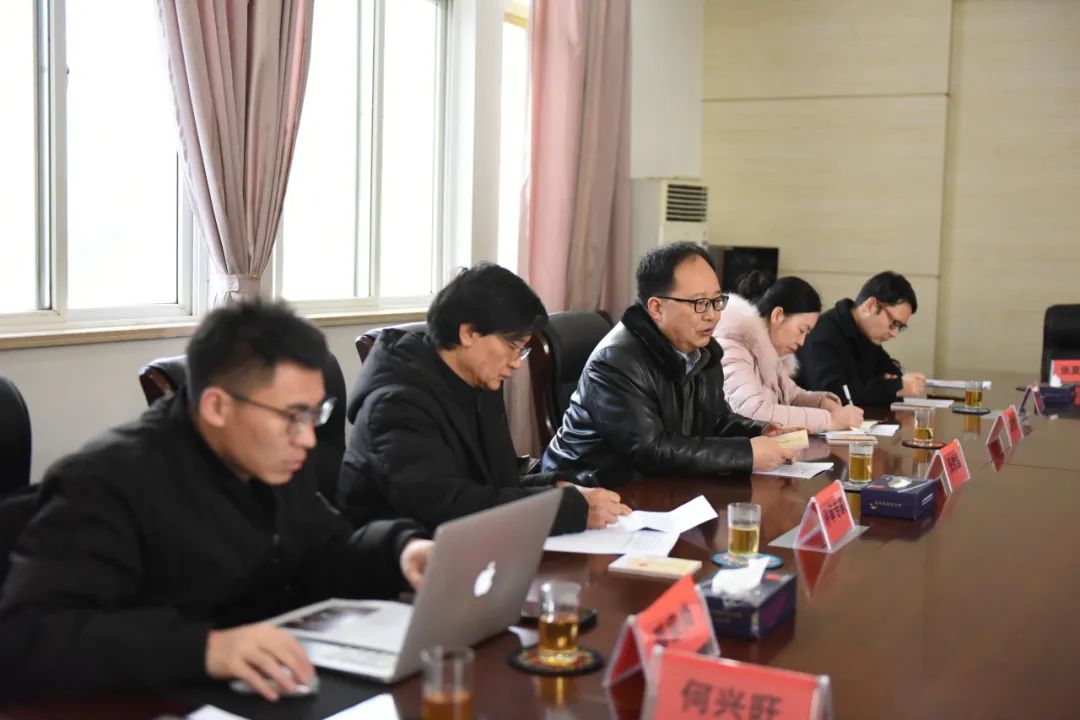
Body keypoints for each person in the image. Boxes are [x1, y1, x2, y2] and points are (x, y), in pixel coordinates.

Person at [0, 301, 433, 703]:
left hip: (268, 686)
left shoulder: (275, 459)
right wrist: (206, 648)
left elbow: (328, 548)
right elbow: (28, 636)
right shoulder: (107, 481)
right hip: (150, 698)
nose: (307, 438)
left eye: (314, 414)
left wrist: (400, 551)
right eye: (292, 416)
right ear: (217, 406)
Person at [338, 263, 629, 536]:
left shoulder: (478, 380)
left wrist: (556, 485)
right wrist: (566, 509)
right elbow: (446, 506)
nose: (516, 362)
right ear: (468, 333)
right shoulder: (396, 404)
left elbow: (494, 481)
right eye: (513, 346)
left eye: (523, 350)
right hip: (402, 559)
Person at [541, 243, 797, 488]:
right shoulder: (616, 361)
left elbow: (716, 419)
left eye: (717, 301)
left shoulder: (703, 350)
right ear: (657, 308)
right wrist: (747, 453)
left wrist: (760, 431)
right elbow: (650, 451)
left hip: (659, 486)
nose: (712, 315)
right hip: (590, 489)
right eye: (699, 303)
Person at [713, 272, 865, 433]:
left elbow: (792, 396)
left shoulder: (767, 352)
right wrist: (830, 420)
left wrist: (824, 404)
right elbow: (754, 414)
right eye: (802, 330)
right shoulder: (732, 348)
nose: (802, 342)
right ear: (778, 315)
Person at [796, 271, 927, 406]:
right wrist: (894, 387)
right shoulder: (822, 334)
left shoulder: (867, 335)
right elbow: (829, 395)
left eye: (900, 327)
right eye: (894, 323)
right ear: (870, 306)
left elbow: (893, 375)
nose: (894, 333)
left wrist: (888, 386)